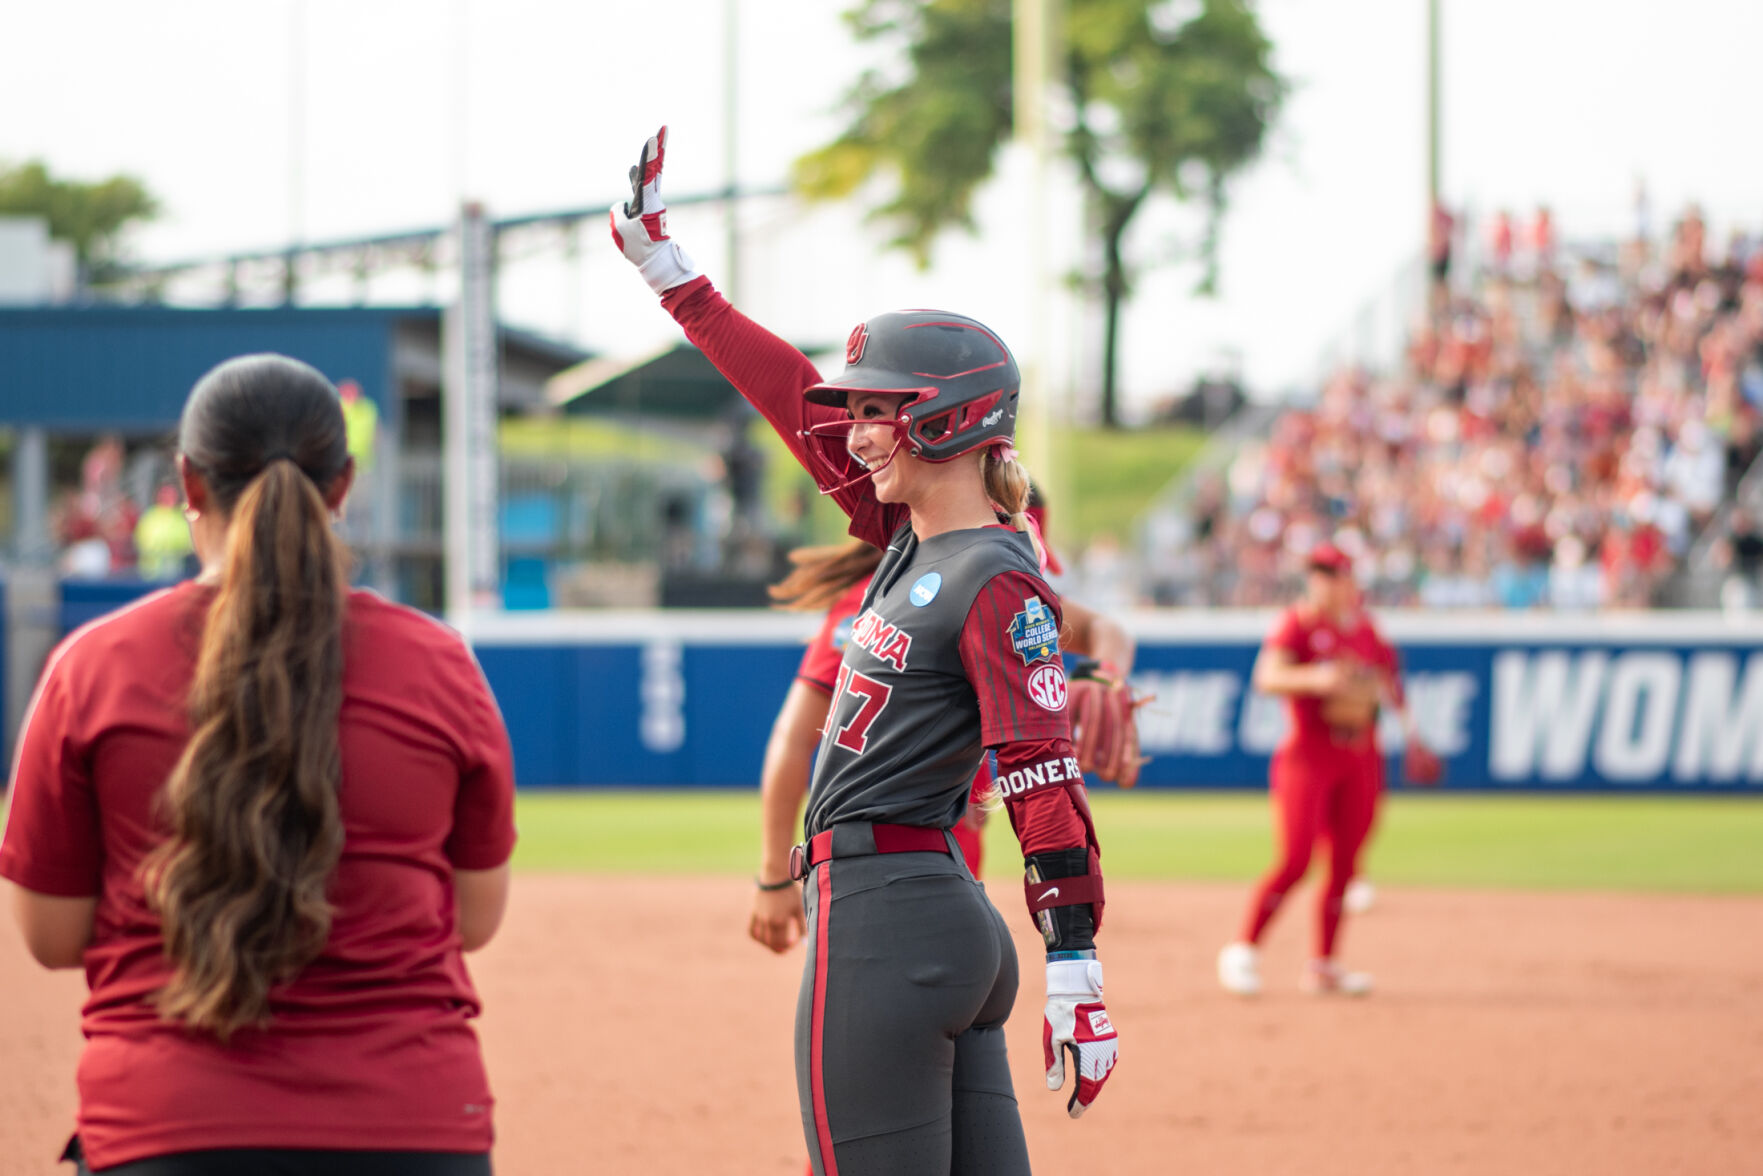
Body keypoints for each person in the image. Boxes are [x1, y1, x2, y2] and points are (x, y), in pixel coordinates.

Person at [613, 126, 1118, 1174]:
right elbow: (787, 395)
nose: (855, 432)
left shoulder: (987, 568)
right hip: (937, 917)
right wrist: (670, 274)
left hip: (888, 924)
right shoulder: (912, 542)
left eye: (882, 411)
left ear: (948, 420)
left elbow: (1037, 766)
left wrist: (1074, 958)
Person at [0, 354, 516, 1175]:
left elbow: (53, 934)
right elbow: (474, 921)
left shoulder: (90, 668)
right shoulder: (440, 665)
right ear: (342, 485)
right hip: (414, 1130)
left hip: (165, 1130)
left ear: (187, 484)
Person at [750, 509, 1139, 955]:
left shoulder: (945, 587)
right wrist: (773, 876)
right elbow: (794, 738)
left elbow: (1106, 632)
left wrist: (1102, 675)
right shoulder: (962, 591)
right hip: (887, 877)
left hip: (928, 877)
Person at [1217, 540, 1390, 997]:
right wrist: (1318, 678)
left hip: (1359, 754)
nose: (1323, 582)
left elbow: (1384, 683)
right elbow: (1267, 675)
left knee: (1347, 862)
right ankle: (1244, 948)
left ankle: (1325, 965)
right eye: (1318, 573)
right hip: (1308, 754)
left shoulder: (1366, 628)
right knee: (1296, 859)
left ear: (1350, 580)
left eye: (1332, 574)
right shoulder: (1297, 623)